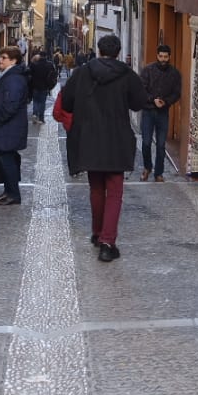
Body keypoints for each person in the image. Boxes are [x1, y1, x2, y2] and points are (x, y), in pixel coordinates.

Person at [60, 33, 149, 262]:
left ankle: (98, 233)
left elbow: (67, 101)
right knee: (115, 192)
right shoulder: (127, 75)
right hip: (117, 138)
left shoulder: (82, 73)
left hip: (89, 138)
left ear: (98, 50)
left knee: (96, 189)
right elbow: (139, 103)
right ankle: (108, 243)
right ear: (118, 52)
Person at [0, 46, 29, 206]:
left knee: (7, 160)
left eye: (3, 58)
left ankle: (13, 194)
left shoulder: (14, 79)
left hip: (9, 127)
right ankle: (8, 191)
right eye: (0, 57)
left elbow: (11, 104)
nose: (0, 60)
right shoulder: (9, 76)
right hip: (7, 127)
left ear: (13, 60)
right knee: (4, 160)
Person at [138, 44, 182, 181]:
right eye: (161, 56)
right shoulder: (147, 71)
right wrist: (153, 100)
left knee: (161, 145)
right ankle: (147, 167)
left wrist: (166, 102)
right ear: (157, 56)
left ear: (169, 57)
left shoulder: (175, 73)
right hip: (148, 111)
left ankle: (158, 173)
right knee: (146, 142)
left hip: (163, 112)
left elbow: (176, 93)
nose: (163, 59)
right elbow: (141, 90)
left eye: (166, 57)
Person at [28, 51, 59, 124]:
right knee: (42, 102)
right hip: (45, 86)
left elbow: (29, 75)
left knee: (35, 101)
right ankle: (41, 118)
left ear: (39, 56)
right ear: (46, 56)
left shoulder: (34, 64)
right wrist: (51, 85)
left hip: (35, 86)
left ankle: (35, 114)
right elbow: (54, 75)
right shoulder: (49, 64)